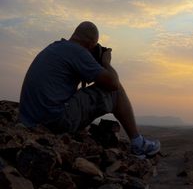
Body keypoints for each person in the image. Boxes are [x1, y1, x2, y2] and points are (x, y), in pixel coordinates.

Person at [19, 21, 160, 158]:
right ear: (90, 44)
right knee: (115, 91)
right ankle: (138, 143)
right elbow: (113, 83)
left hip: (30, 119)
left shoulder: (55, 47)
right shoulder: (78, 51)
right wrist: (105, 63)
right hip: (53, 121)